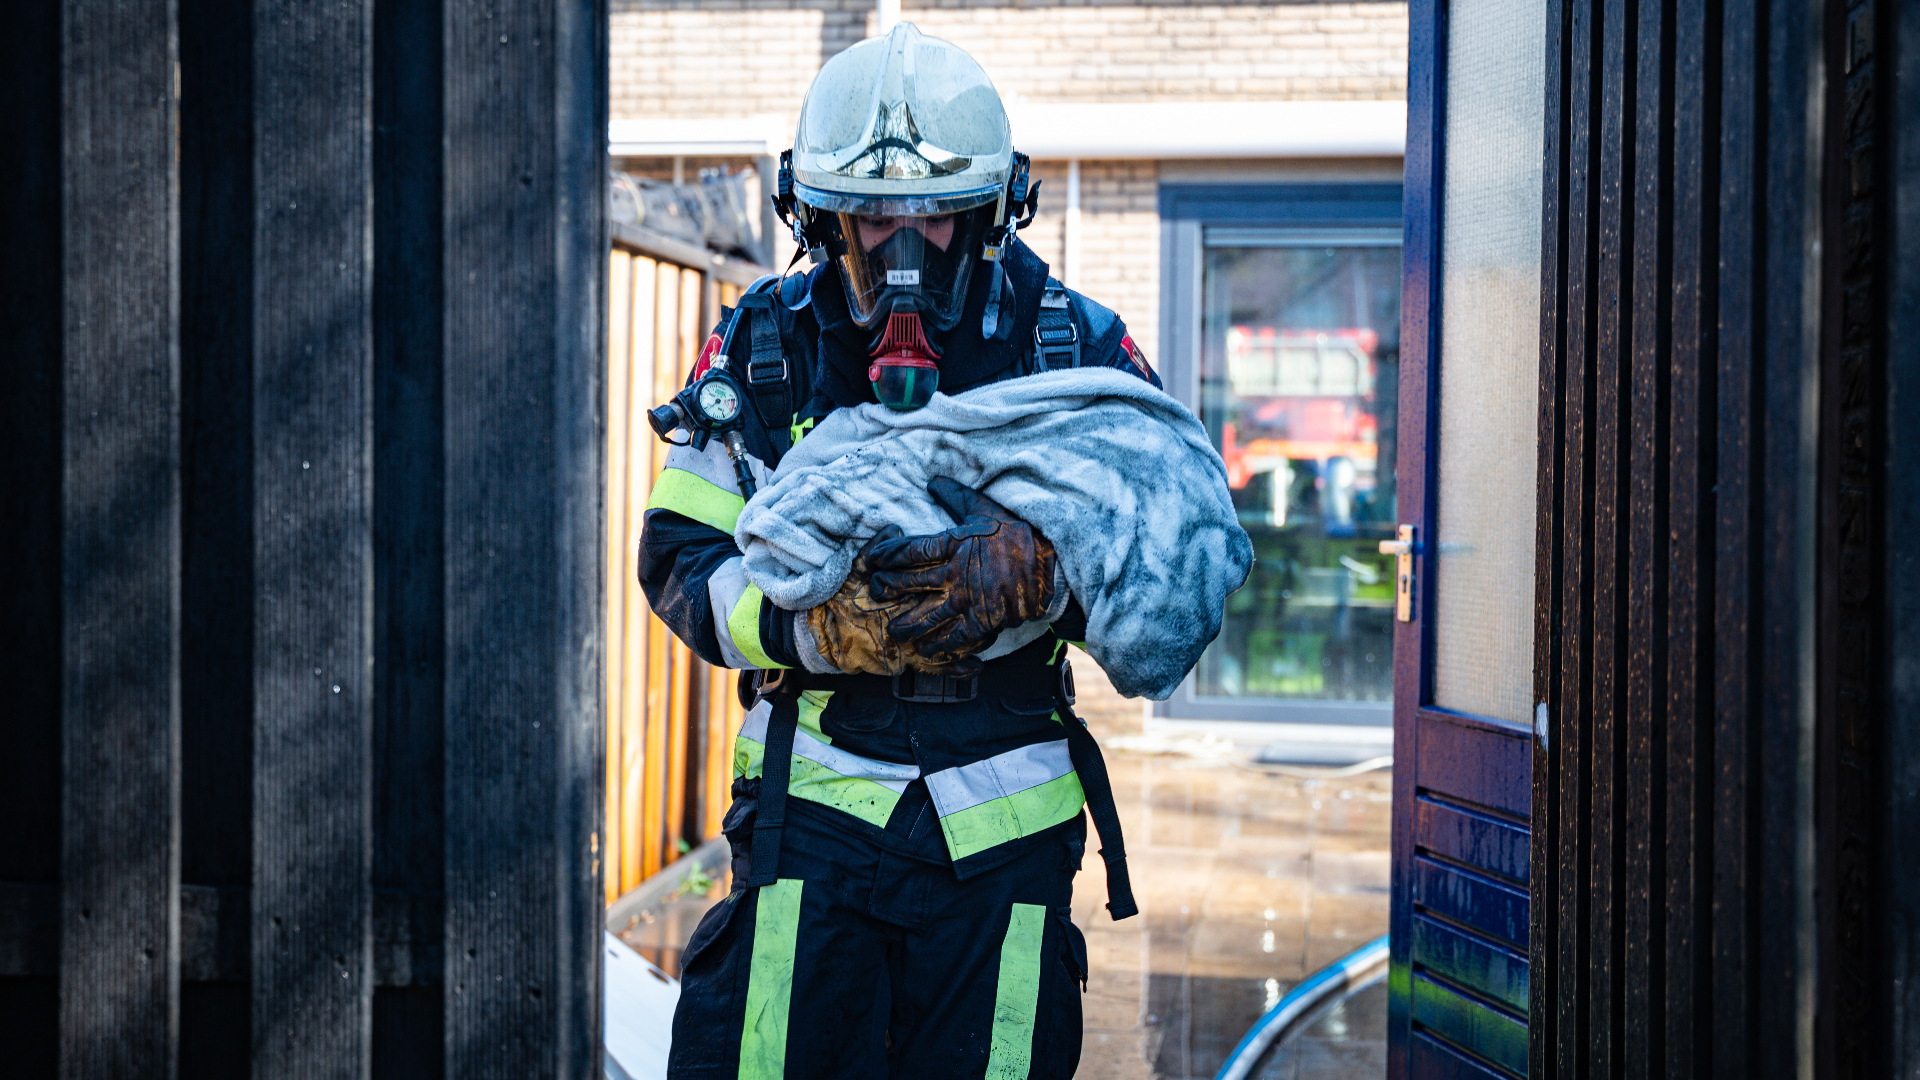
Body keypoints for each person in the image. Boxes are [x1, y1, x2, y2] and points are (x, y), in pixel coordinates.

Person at [641, 24, 1171, 1080]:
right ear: (819, 214)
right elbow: (679, 561)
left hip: (1004, 841)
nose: (902, 252)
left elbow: (1168, 577)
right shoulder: (764, 346)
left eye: (935, 216)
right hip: (814, 833)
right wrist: (811, 625)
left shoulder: (1070, 351)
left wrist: (1050, 578)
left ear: (991, 212)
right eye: (873, 216)